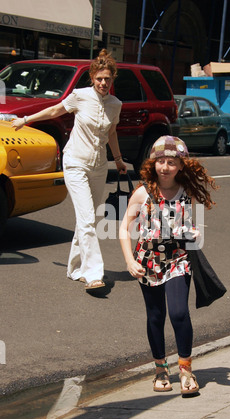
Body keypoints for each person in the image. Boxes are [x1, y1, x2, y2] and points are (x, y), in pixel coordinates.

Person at [11, 49, 127, 293]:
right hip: (75, 162)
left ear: (112, 79)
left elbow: (112, 133)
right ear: (92, 77)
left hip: (99, 167)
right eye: (99, 78)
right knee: (86, 219)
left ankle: (75, 268)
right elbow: (55, 110)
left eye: (107, 79)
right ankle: (94, 274)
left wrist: (118, 160)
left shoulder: (115, 105)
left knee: (90, 220)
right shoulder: (80, 96)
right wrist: (25, 120)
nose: (103, 83)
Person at [120, 135, 216, 396]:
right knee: (155, 315)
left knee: (178, 313)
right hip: (148, 262)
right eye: (160, 161)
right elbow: (123, 228)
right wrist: (129, 260)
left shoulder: (188, 193)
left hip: (178, 259)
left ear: (181, 165)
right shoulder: (142, 193)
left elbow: (192, 225)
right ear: (153, 164)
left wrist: (195, 234)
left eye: (171, 162)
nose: (165, 167)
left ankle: (185, 368)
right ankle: (160, 368)